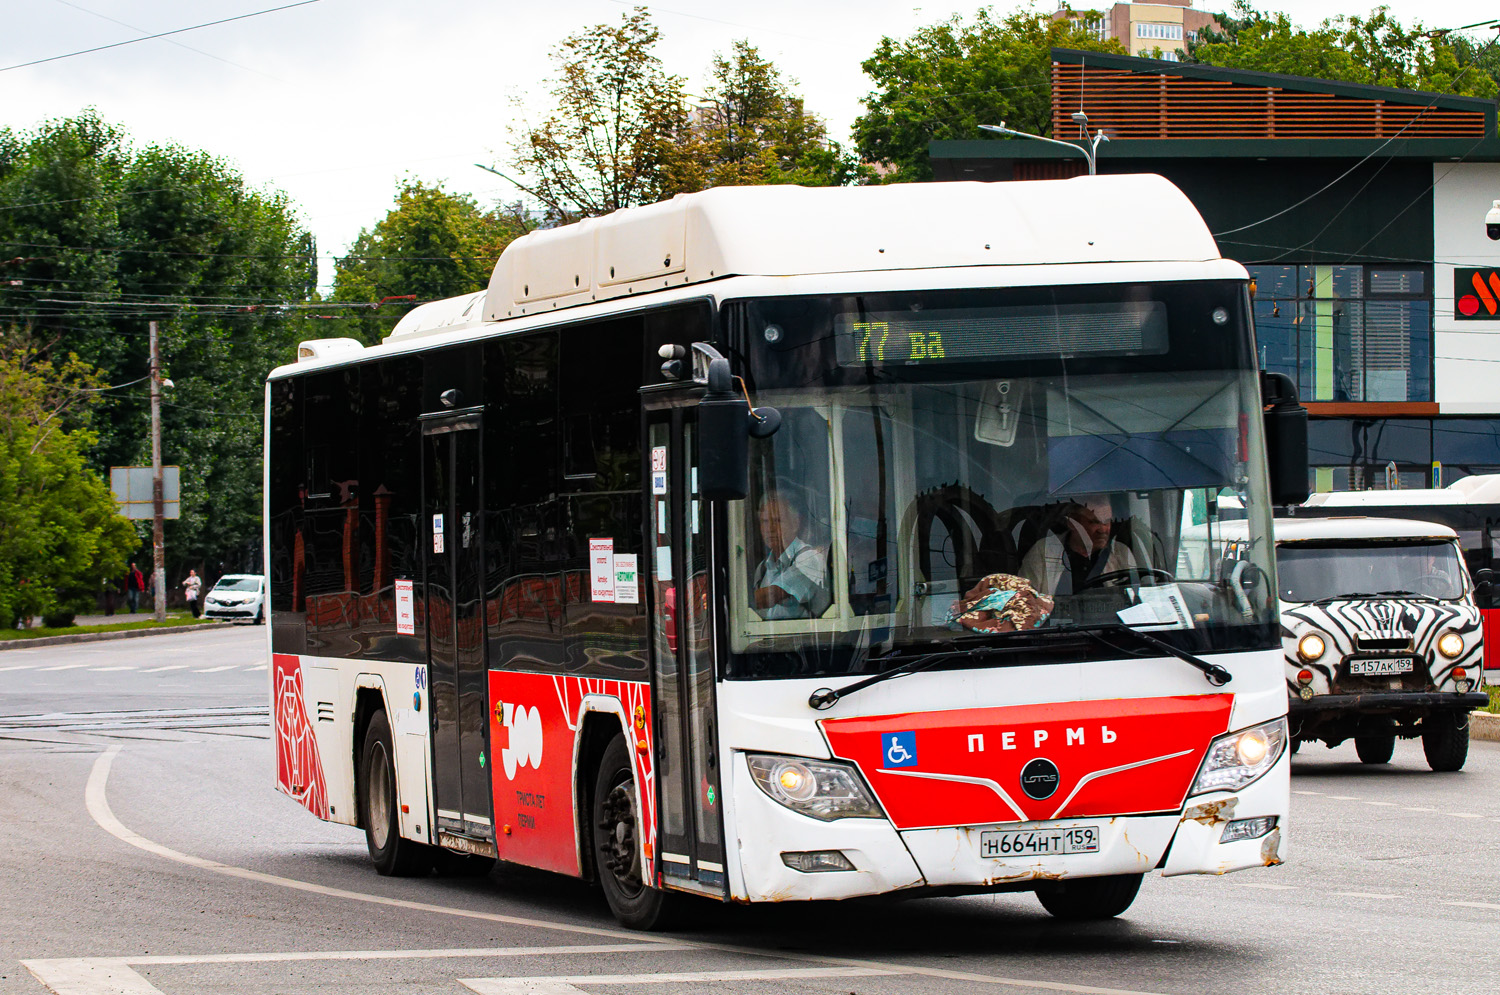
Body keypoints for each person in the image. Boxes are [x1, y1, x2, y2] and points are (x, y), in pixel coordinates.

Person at [1021, 494, 1141, 596]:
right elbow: (1027, 600)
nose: (1103, 529)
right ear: (1072, 523)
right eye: (1094, 522)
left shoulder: (1121, 553)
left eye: (1107, 521)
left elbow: (1135, 600)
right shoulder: (1044, 551)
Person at [751, 492, 831, 620]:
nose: (770, 528)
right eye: (765, 521)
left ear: (795, 523)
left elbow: (772, 595)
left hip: (807, 639)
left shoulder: (810, 558)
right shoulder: (762, 569)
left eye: (777, 520)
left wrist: (731, 601)